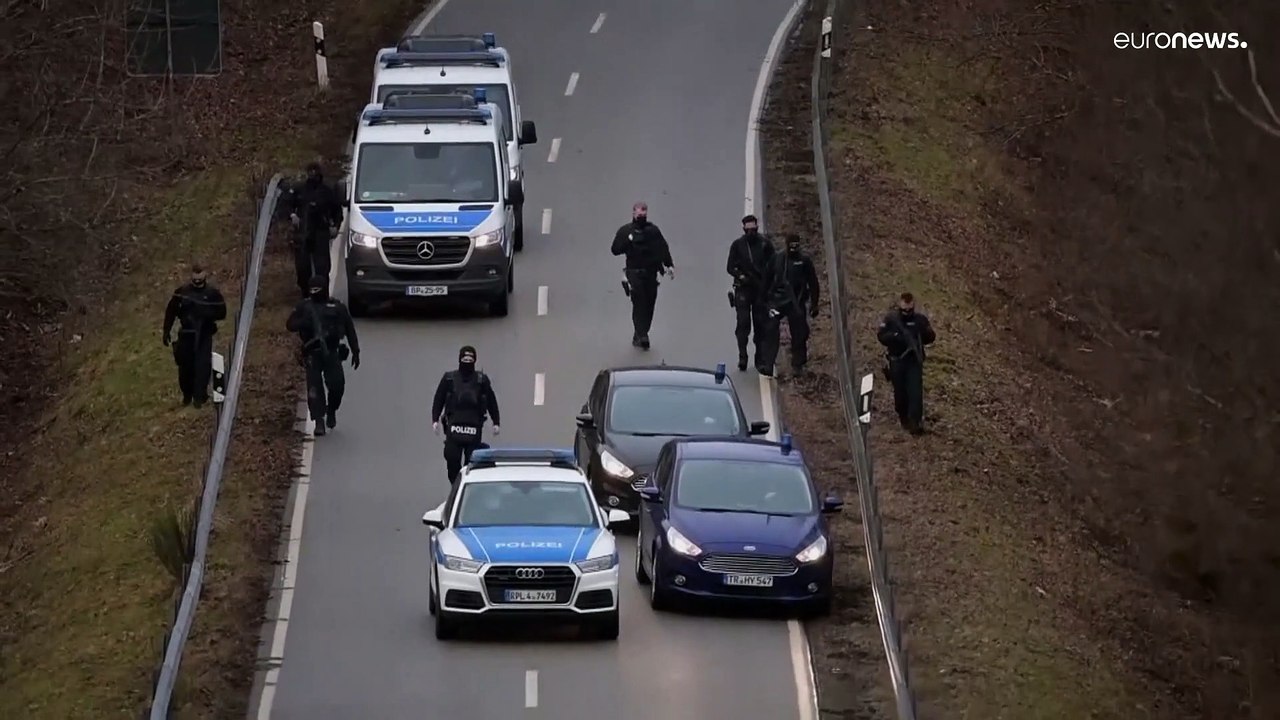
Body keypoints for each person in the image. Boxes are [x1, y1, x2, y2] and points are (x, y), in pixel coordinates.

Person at [286, 275, 361, 436]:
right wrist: (304, 322)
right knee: (314, 389)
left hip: (332, 352)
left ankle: (331, 410)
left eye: (317, 290)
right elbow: (290, 325)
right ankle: (319, 421)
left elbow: (349, 328)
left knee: (337, 386)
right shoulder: (304, 307)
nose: (315, 293)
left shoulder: (337, 307)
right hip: (312, 353)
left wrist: (356, 350)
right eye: (312, 290)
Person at [431, 345, 502, 483]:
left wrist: (496, 422)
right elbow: (438, 399)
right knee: (451, 458)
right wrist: (435, 419)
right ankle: (456, 485)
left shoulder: (481, 380)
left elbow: (491, 401)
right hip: (453, 428)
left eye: (470, 358)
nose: (467, 361)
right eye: (465, 358)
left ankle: (468, 486)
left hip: (474, 428)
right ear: (459, 359)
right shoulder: (449, 379)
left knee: (472, 462)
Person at [610, 201, 674, 350]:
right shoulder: (626, 231)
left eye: (643, 211)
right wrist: (628, 242)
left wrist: (669, 264)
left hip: (651, 273)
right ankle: (642, 334)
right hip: (634, 272)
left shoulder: (653, 231)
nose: (641, 214)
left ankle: (640, 332)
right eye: (638, 211)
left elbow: (663, 248)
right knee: (639, 302)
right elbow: (615, 250)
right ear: (633, 213)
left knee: (649, 304)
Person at [162, 264, 227, 407]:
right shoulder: (182, 292)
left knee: (202, 366)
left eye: (200, 275)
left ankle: (200, 396)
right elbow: (171, 311)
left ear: (205, 275)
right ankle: (187, 395)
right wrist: (166, 331)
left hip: (204, 334)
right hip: (186, 334)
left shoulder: (212, 294)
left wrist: (206, 314)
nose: (197, 279)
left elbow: (222, 312)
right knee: (185, 367)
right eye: (195, 275)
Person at [877, 292, 936, 434]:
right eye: (904, 310)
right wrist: (895, 337)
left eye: (910, 310)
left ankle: (915, 422)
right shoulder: (892, 319)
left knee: (915, 391)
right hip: (897, 360)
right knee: (900, 393)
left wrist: (923, 334)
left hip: (913, 361)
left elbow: (931, 336)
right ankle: (903, 417)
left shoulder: (920, 320)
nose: (907, 313)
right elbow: (881, 336)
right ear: (899, 306)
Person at [725, 214, 777, 371]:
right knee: (743, 323)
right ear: (743, 229)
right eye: (748, 230)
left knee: (760, 324)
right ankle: (742, 355)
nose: (751, 233)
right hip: (743, 289)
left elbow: (774, 266)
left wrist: (768, 284)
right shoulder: (738, 245)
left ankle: (759, 357)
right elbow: (730, 267)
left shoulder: (765, 245)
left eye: (753, 229)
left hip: (760, 290)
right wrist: (740, 276)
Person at [285, 161, 343, 298]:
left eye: (315, 172)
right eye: (310, 172)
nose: (312, 175)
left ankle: (323, 295)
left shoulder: (327, 191)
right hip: (303, 231)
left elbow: (337, 210)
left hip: (321, 231)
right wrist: (292, 215)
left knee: (322, 267)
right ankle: (305, 294)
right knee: (302, 267)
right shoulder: (300, 189)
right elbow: (287, 204)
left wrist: (335, 226)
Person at [780, 234, 821, 374]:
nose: (793, 249)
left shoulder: (804, 261)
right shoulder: (780, 260)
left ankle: (798, 362)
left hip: (798, 302)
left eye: (796, 245)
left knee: (801, 331)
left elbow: (813, 283)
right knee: (769, 329)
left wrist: (814, 304)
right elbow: (770, 278)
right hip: (780, 300)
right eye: (791, 245)